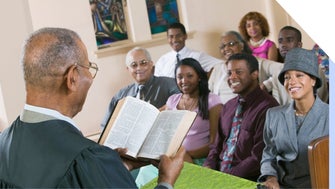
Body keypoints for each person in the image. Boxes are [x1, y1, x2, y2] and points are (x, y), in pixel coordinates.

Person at [0, 27, 185, 188]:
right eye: (89, 68)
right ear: (72, 77)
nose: (90, 77)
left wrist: (112, 169)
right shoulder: (86, 159)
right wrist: (165, 181)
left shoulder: (4, 142)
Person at [136, 58, 223, 187]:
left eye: (189, 76)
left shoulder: (212, 101)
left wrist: (184, 154)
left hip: (198, 159)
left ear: (199, 77)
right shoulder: (172, 101)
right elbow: (156, 118)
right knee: (145, 172)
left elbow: (215, 143)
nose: (184, 81)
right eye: (179, 77)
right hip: (172, 157)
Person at [258, 48, 329, 189]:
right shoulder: (273, 115)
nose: (291, 81)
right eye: (287, 77)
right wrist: (271, 178)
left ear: (313, 80)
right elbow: (268, 155)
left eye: (299, 75)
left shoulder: (330, 116)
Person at [203, 53, 279, 181]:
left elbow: (259, 157)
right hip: (220, 175)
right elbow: (217, 146)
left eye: (238, 72)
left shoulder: (269, 108)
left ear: (255, 74)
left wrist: (226, 177)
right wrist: (209, 167)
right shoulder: (228, 106)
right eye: (229, 73)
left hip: (248, 178)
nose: (232, 77)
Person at [100, 47, 180, 128]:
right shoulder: (121, 96)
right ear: (128, 69)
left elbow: (181, 108)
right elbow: (105, 126)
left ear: (151, 64)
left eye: (143, 63)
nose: (139, 68)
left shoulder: (170, 85)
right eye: (134, 65)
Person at [208, 31, 288, 105]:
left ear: (241, 45)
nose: (226, 48)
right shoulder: (218, 68)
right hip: (220, 111)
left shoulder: (256, 62)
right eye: (223, 46)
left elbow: (282, 68)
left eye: (231, 44)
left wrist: (267, 85)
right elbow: (208, 91)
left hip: (246, 109)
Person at [277, 26, 328, 103]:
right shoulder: (278, 70)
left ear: (299, 45)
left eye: (289, 40)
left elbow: (318, 101)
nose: (283, 45)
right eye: (280, 41)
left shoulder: (313, 68)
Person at [154, 22, 222, 78]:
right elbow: (157, 83)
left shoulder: (197, 56)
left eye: (178, 36)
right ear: (167, 39)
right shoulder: (162, 61)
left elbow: (220, 64)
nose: (174, 40)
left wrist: (209, 82)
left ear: (185, 36)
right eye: (171, 37)